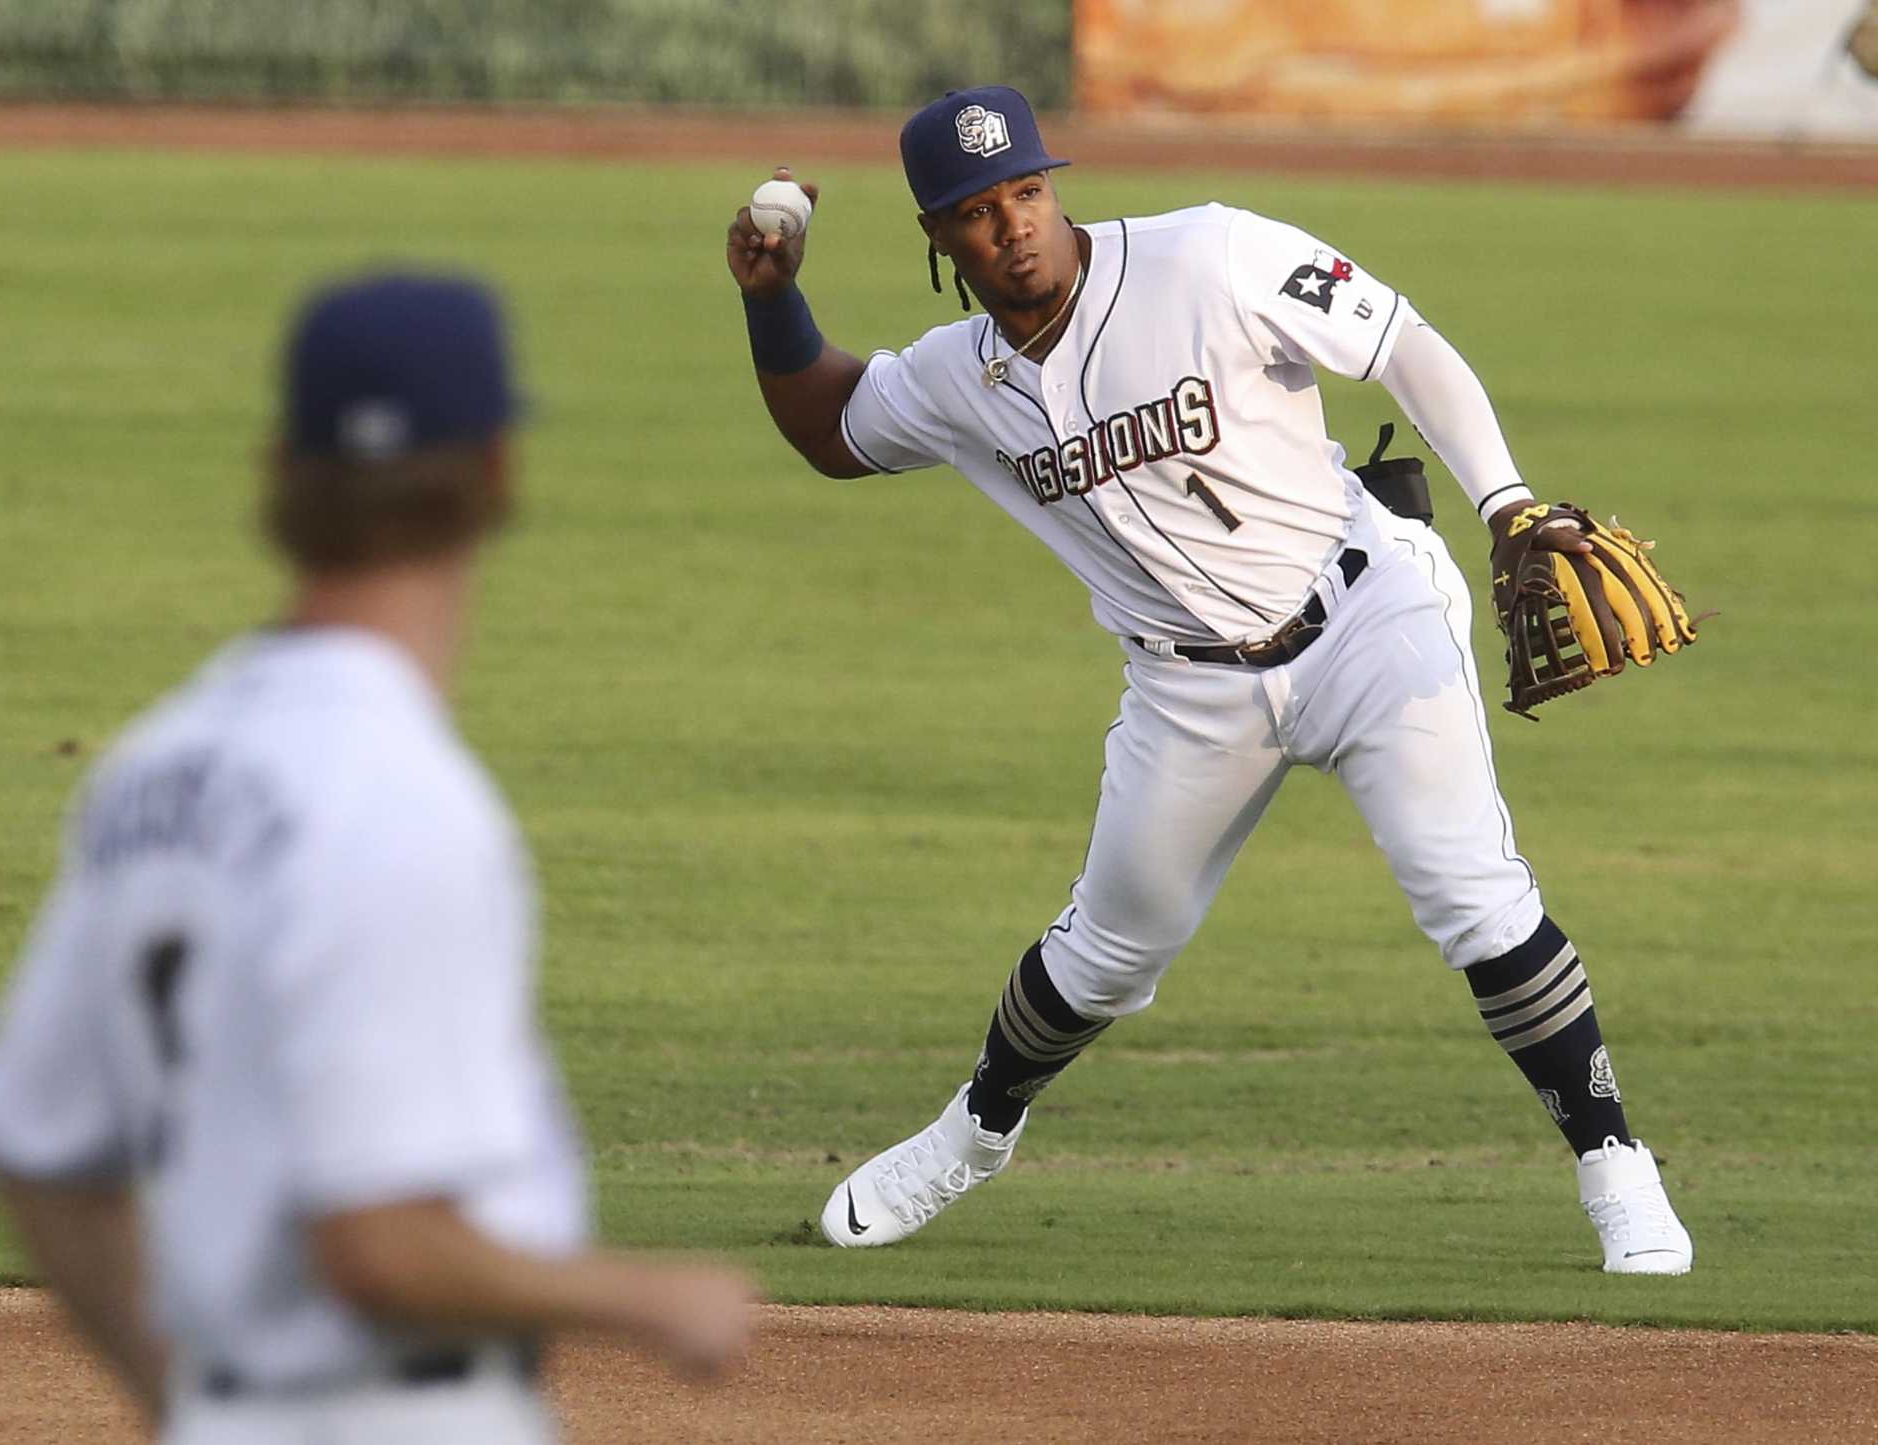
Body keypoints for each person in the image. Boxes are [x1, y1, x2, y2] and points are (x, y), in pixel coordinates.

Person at [724, 87, 1693, 1274]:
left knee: (1470, 892)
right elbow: (832, 426)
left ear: (1053, 185)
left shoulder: (1210, 253)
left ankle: (1615, 1167)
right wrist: (771, 300)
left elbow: (1401, 343)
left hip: (1363, 616)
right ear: (939, 237)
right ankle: (970, 1135)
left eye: (1027, 190)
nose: (1013, 224)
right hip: (1188, 694)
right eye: (979, 211)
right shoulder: (952, 378)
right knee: (1105, 952)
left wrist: (1505, 501)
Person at [0, 271, 756, 1443]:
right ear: (495, 473)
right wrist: (640, 1294)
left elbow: (39, 1154)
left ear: (281, 472)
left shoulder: (151, 771)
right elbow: (380, 1245)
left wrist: (177, 1393)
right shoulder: (401, 799)